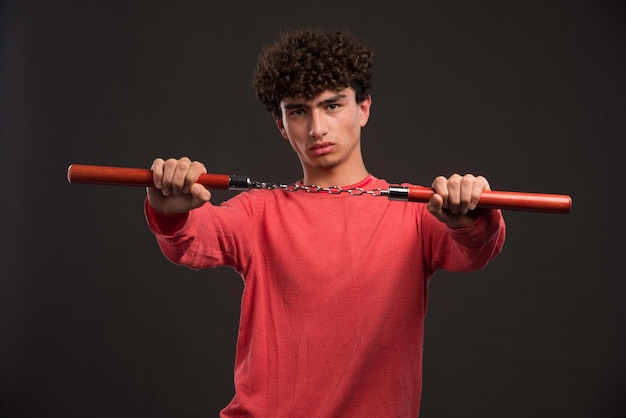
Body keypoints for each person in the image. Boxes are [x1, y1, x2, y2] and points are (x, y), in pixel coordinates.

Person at [144, 27, 506, 417]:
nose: (317, 128)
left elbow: (474, 249)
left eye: (332, 105)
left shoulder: (416, 213)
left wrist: (469, 215)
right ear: (282, 125)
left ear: (363, 108)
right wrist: (170, 207)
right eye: (299, 111)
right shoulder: (257, 211)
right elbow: (192, 237)